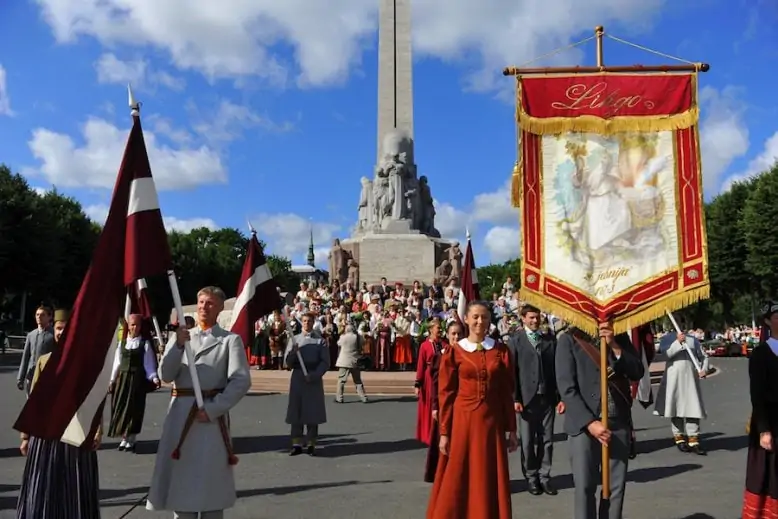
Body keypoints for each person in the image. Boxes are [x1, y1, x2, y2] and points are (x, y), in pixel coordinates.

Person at [146, 286, 252, 519]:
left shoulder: (229, 340)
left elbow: (240, 381)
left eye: (210, 303)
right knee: (181, 479)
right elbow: (166, 374)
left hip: (209, 418)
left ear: (220, 308)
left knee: (209, 479)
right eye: (201, 302)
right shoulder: (182, 337)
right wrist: (178, 345)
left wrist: (214, 408)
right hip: (180, 415)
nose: (204, 307)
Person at [427, 301, 518, 519]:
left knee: (487, 477)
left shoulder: (500, 350)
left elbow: (507, 392)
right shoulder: (454, 352)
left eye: (484, 317)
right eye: (475, 317)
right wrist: (444, 432)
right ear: (466, 319)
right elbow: (446, 394)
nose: (480, 321)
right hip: (462, 423)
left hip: (491, 425)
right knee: (458, 474)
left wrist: (512, 429)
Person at [16, 308, 103, 519]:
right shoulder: (44, 361)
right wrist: (26, 436)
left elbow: (95, 398)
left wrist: (97, 431)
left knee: (75, 490)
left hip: (76, 435)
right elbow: (34, 401)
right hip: (46, 437)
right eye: (58, 328)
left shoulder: (85, 363)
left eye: (65, 329)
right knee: (43, 489)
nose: (61, 333)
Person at [555, 320, 644, 519]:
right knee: (585, 487)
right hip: (584, 425)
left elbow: (637, 371)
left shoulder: (619, 336)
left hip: (617, 421)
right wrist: (590, 423)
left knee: (615, 488)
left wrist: (614, 346)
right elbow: (567, 388)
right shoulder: (569, 339)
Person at [507, 304, 564, 496]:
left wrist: (559, 397)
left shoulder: (549, 340)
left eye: (537, 317)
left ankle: (545, 476)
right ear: (523, 319)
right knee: (529, 441)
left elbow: (557, 369)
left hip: (547, 397)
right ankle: (531, 477)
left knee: (547, 440)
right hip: (527, 399)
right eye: (531, 317)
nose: (535, 321)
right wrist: (515, 397)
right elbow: (512, 372)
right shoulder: (516, 341)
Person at [742, 301, 778, 518]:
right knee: (769, 474)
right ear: (767, 321)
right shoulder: (761, 354)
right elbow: (757, 395)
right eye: (777, 316)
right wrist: (764, 430)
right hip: (771, 421)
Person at [108, 313, 161, 452]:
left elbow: (148, 364)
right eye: (132, 324)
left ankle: (131, 437)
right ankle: (124, 437)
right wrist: (112, 380)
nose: (135, 327)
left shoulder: (144, 344)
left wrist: (154, 377)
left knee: (134, 408)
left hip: (137, 380)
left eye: (137, 324)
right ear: (128, 326)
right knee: (121, 407)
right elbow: (117, 363)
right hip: (123, 379)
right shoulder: (122, 344)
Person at [654, 328, 708, 454]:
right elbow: (665, 355)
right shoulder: (667, 339)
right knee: (676, 409)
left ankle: (694, 439)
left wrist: (704, 369)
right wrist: (677, 343)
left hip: (690, 378)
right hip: (674, 378)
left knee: (693, 408)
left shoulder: (693, 339)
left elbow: (703, 356)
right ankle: (679, 438)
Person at [284, 312, 330, 456]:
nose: (306, 323)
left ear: (313, 322)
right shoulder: (294, 339)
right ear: (301, 322)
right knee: (296, 410)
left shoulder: (320, 341)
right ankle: (296, 443)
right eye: (304, 321)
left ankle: (311, 442)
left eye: (309, 321)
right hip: (298, 376)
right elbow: (287, 363)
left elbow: (325, 362)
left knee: (312, 411)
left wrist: (315, 375)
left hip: (313, 378)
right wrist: (293, 352)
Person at [424, 320, 462, 483]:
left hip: (462, 405)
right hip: (444, 405)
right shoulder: (440, 356)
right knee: (443, 440)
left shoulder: (467, 354)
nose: (456, 337)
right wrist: (434, 407)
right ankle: (442, 474)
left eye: (459, 334)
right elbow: (435, 384)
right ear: (447, 335)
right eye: (453, 334)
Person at [415, 319, 443, 446]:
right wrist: (418, 383)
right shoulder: (424, 346)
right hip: (429, 378)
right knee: (430, 405)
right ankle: (428, 435)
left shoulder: (444, 344)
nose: (440, 330)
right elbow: (421, 365)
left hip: (442, 376)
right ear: (431, 329)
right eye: (438, 328)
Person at [17, 305, 54, 395]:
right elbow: (25, 357)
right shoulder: (31, 335)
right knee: (30, 402)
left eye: (42, 315)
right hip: (31, 375)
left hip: (46, 376)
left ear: (49, 317)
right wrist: (20, 378)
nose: (39, 317)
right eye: (37, 314)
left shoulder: (53, 335)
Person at [335, 324, 368, 403]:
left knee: (341, 380)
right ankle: (363, 397)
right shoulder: (358, 337)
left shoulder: (343, 337)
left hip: (344, 361)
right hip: (355, 361)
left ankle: (339, 397)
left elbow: (338, 343)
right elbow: (363, 342)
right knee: (357, 381)